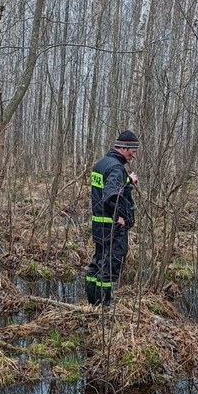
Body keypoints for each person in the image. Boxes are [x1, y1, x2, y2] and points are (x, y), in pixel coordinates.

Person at [85, 130, 139, 306]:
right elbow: (111, 195)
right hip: (112, 227)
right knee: (110, 266)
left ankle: (93, 303)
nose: (134, 155)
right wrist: (121, 216)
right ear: (124, 148)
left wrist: (127, 180)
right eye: (133, 151)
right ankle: (104, 306)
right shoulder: (116, 168)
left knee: (98, 262)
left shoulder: (101, 164)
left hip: (99, 225)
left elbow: (106, 188)